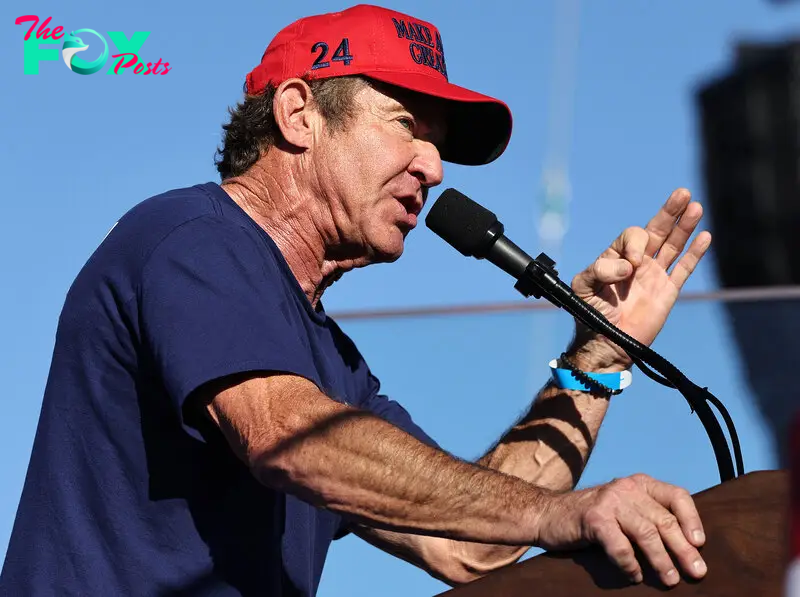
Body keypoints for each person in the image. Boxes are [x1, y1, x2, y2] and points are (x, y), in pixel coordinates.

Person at [0, 4, 713, 596]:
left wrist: (598, 353)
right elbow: (287, 436)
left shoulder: (329, 363)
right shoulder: (192, 237)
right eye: (407, 123)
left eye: (437, 144)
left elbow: (467, 550)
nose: (433, 167)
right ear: (299, 114)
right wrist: (564, 511)